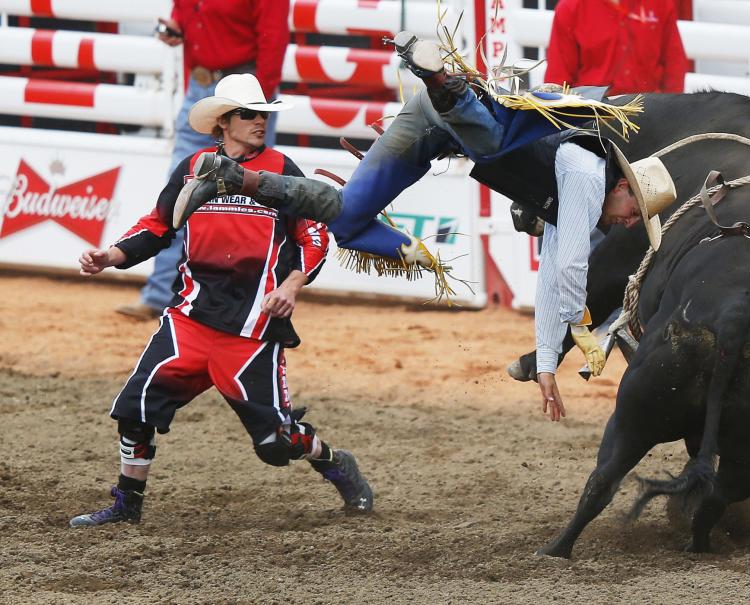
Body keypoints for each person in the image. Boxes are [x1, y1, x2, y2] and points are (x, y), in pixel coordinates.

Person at [172, 35, 675, 418]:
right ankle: (443, 81)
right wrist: (580, 328)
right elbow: (569, 267)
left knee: (346, 218)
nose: (630, 222)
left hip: (428, 120)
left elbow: (551, 277)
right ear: (623, 185)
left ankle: (234, 177)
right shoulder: (588, 172)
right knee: (494, 142)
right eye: (637, 210)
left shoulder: (573, 197)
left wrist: (547, 363)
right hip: (464, 116)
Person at [70, 74, 372, 527]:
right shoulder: (193, 167)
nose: (260, 122)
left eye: (263, 114)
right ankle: (127, 505)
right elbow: (158, 225)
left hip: (252, 328)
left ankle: (332, 459)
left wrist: (291, 286)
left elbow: (312, 236)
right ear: (223, 123)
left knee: (276, 443)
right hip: (189, 318)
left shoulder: (281, 170)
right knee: (135, 409)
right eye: (249, 114)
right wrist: (110, 256)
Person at [116, 0, 290, 321]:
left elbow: (273, 37)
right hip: (208, 85)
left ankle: (225, 295)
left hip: (235, 88)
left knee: (242, 195)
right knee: (184, 191)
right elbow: (190, 16)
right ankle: (162, 294)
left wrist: (254, 107)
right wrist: (176, 28)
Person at [544, 0, 687, 95]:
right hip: (592, 116)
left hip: (649, 114)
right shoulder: (571, 8)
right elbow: (557, 82)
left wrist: (668, 112)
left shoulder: (660, 4)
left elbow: (675, 64)